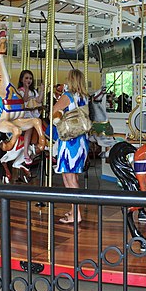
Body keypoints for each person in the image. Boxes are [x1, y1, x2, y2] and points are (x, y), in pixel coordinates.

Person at [52, 69, 90, 224]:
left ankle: (77, 214)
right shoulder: (84, 98)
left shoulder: (67, 96)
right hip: (81, 141)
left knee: (69, 178)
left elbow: (53, 112)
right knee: (72, 178)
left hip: (69, 141)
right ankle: (74, 210)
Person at [16, 70, 43, 164]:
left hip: (32, 114)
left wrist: (42, 90)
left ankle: (37, 145)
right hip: (24, 115)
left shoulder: (34, 91)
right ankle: (25, 151)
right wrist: (26, 89)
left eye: (30, 78)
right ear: (22, 80)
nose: (29, 80)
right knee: (30, 127)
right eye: (26, 78)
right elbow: (25, 99)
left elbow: (39, 101)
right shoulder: (20, 91)